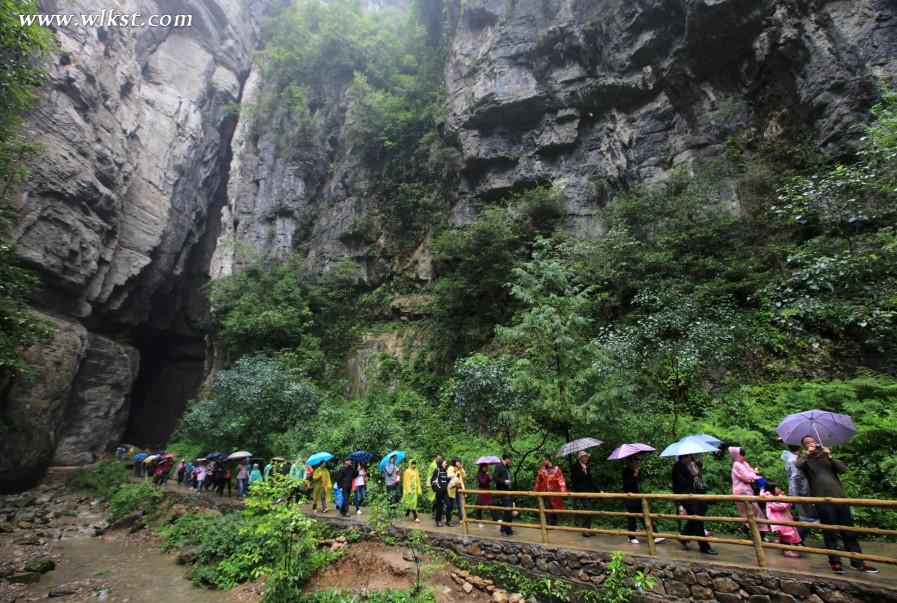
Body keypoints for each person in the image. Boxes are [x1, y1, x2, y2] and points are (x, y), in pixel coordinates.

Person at [795, 435, 878, 574]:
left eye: (812, 441)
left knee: (849, 532)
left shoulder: (826, 456)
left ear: (817, 442)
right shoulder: (805, 460)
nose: (811, 444)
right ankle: (835, 562)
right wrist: (807, 454)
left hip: (840, 499)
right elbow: (798, 465)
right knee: (830, 533)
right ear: (804, 446)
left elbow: (842, 469)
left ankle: (857, 562)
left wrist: (831, 457)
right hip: (823, 501)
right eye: (807, 443)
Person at [672, 454, 717, 555]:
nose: (691, 459)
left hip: (692, 494)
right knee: (697, 519)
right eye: (689, 457)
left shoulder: (687, 465)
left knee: (701, 510)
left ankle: (684, 536)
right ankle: (704, 547)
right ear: (683, 457)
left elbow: (696, 471)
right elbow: (682, 483)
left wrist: (699, 464)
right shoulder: (677, 467)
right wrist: (692, 476)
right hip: (684, 496)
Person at [781, 445, 819, 542]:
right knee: (807, 517)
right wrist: (795, 495)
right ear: (800, 448)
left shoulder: (791, 458)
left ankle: (795, 539)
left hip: (799, 491)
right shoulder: (794, 460)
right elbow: (795, 478)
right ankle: (794, 539)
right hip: (802, 492)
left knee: (806, 516)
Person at [728, 446, 768, 537]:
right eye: (742, 455)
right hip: (741, 491)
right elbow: (747, 477)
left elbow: (750, 473)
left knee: (753, 511)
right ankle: (759, 533)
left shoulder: (744, 463)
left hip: (747, 490)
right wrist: (754, 474)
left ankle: (748, 529)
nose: (744, 456)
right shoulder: (737, 465)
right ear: (736, 455)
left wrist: (754, 472)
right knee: (754, 511)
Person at [763, 481, 802, 558]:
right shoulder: (770, 499)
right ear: (771, 489)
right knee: (787, 534)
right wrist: (786, 499)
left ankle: (785, 545)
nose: (779, 489)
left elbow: (785, 503)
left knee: (786, 534)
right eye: (777, 488)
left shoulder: (778, 496)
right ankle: (787, 551)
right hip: (779, 521)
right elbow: (782, 506)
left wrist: (784, 498)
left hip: (784, 519)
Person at [570, 450, 599, 537]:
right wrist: (582, 471)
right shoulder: (575, 466)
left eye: (587, 457)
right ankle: (584, 529)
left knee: (589, 510)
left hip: (589, 492)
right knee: (589, 509)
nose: (587, 458)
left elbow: (591, 481)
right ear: (581, 458)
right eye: (585, 456)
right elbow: (575, 479)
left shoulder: (587, 467)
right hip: (580, 492)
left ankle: (588, 529)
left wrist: (599, 490)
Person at [534, 454, 566, 527]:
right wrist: (535, 491)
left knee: (554, 506)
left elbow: (561, 480)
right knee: (546, 506)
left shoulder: (556, 469)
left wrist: (563, 490)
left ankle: (554, 521)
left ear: (548, 460)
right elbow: (538, 481)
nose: (543, 462)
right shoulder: (542, 469)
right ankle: (547, 522)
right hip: (544, 491)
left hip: (555, 491)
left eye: (544, 460)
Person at [622, 456, 644, 544]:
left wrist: (636, 474)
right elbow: (628, 484)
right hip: (630, 498)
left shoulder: (633, 470)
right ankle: (631, 537)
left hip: (637, 497)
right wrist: (634, 475)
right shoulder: (626, 471)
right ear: (630, 462)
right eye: (635, 461)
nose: (636, 463)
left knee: (643, 516)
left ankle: (655, 534)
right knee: (632, 518)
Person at [493, 453, 514, 536]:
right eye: (510, 459)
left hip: (509, 491)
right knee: (508, 510)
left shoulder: (507, 466)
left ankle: (508, 529)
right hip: (503, 491)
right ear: (507, 458)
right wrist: (504, 481)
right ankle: (503, 529)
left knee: (510, 510)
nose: (510, 460)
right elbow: (495, 478)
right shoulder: (499, 466)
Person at [430, 458, 450, 527]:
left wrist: (450, 479)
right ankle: (438, 521)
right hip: (439, 492)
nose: (446, 464)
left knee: (449, 504)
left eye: (446, 463)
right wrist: (437, 488)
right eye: (445, 463)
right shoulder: (437, 470)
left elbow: (445, 480)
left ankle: (448, 521)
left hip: (445, 491)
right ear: (441, 463)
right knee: (439, 506)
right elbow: (432, 480)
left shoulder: (445, 471)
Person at [447, 459, 467, 523]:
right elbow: (449, 477)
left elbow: (464, 476)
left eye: (459, 462)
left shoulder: (459, 469)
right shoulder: (451, 468)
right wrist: (454, 472)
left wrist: (461, 468)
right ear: (454, 463)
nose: (458, 463)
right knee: (451, 504)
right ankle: (448, 519)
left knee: (460, 504)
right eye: (457, 462)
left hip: (459, 488)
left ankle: (461, 519)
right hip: (453, 488)